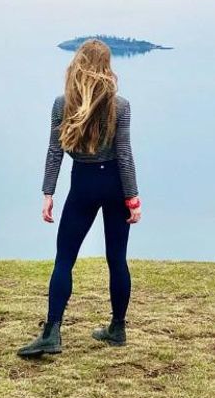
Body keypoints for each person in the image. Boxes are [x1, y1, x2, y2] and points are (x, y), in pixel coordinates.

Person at [17, 39, 141, 357]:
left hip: (83, 183)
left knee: (65, 259)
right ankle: (117, 328)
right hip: (114, 183)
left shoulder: (63, 104)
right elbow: (124, 154)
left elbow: (54, 151)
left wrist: (48, 193)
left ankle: (52, 332)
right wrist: (132, 198)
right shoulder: (121, 105)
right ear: (106, 66)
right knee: (117, 259)